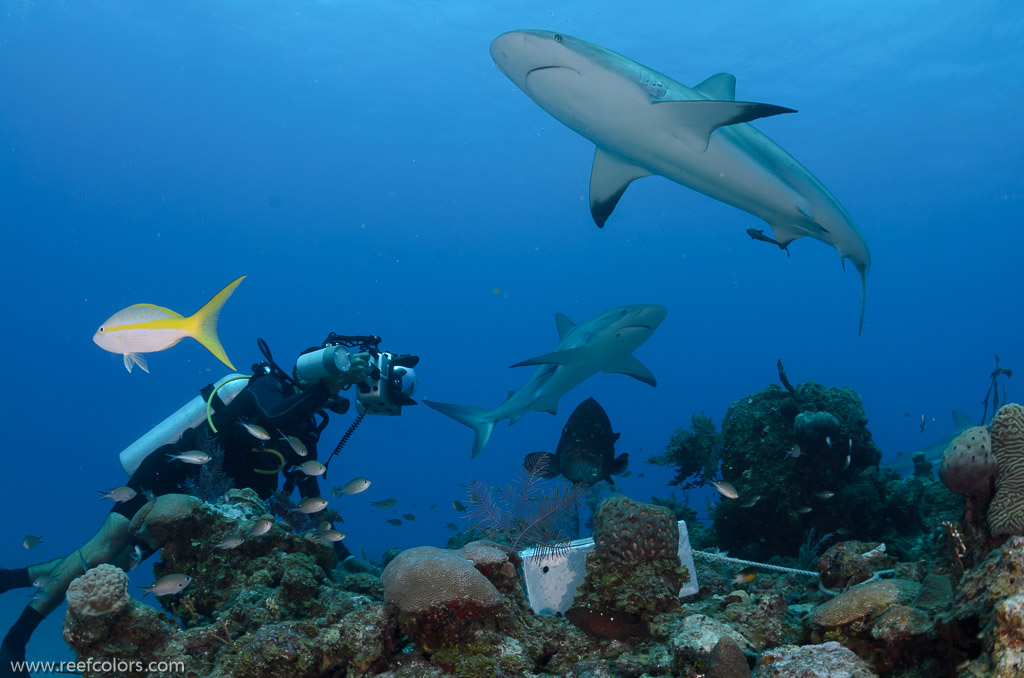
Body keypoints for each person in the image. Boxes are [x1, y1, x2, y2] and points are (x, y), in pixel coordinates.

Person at [0, 337, 376, 677]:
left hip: (197, 505)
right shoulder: (266, 386)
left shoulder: (306, 426)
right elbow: (271, 416)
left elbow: (309, 488)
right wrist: (326, 387)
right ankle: (16, 641)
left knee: (115, 566)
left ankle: (11, 579)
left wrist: (341, 554)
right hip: (169, 473)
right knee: (99, 551)